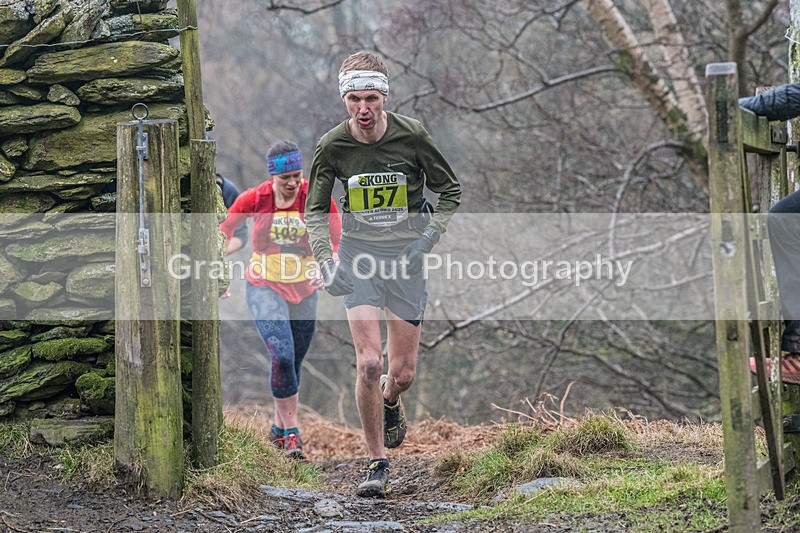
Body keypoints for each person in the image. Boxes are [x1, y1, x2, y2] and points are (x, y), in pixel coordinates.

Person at [304, 51, 462, 496]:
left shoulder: (413, 136)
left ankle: (392, 403)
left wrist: (427, 240)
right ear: (344, 100)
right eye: (354, 99)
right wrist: (326, 261)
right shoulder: (332, 145)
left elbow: (450, 190)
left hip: (407, 258)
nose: (363, 109)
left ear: (385, 97)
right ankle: (377, 463)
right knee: (370, 362)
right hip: (359, 257)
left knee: (403, 373)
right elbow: (314, 210)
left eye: (371, 97)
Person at [219, 140, 342, 459]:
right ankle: (292, 434)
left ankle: (277, 429)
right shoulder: (255, 198)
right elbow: (224, 231)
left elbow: (336, 237)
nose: (291, 183)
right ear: (272, 176)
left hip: (304, 288)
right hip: (264, 285)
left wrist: (327, 267)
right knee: (283, 354)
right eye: (284, 177)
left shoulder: (314, 197)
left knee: (293, 362)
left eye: (297, 175)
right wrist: (217, 272)